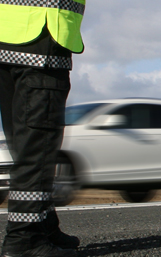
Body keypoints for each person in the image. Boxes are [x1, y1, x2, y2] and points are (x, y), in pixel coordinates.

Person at [0, 1, 86, 256]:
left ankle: (43, 224)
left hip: (7, 36)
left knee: (22, 144)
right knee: (37, 150)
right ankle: (24, 238)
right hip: (43, 36)